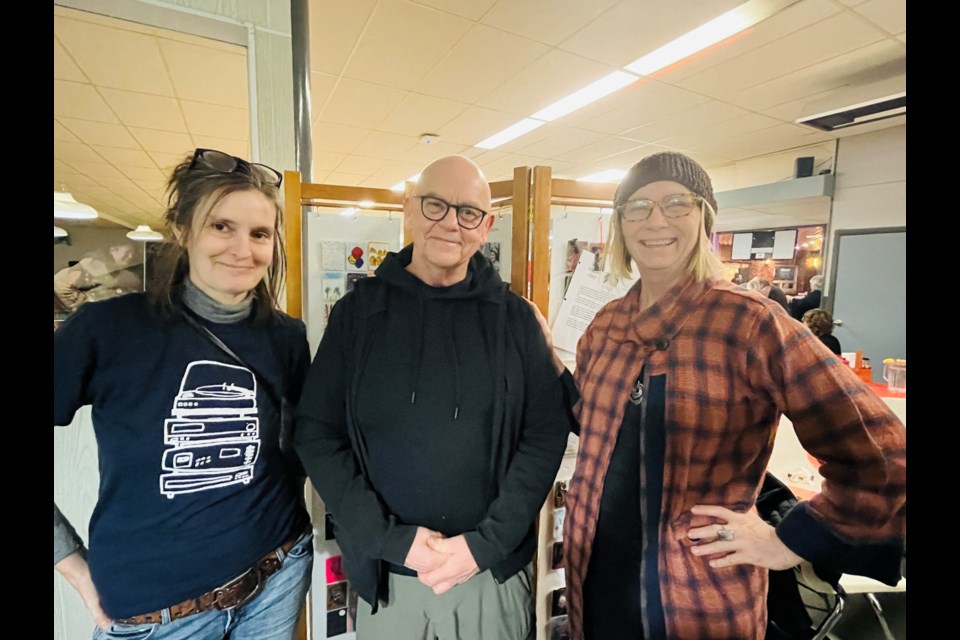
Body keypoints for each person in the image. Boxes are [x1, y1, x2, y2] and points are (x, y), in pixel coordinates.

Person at [532, 151, 905, 639]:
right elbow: (598, 421)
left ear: (704, 217)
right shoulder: (606, 327)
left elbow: (883, 456)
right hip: (595, 594)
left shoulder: (749, 322)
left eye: (676, 203)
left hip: (698, 606)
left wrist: (789, 541)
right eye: (637, 207)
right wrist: (543, 357)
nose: (656, 220)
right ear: (621, 225)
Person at [293, 155, 571, 640]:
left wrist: (484, 546)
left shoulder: (516, 321)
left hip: (490, 576)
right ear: (409, 209)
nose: (449, 223)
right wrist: (390, 540)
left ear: (486, 226)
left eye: (467, 213)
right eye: (435, 205)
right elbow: (316, 433)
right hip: (389, 577)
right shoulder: (357, 315)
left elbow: (544, 435)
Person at [54, 148, 314, 640]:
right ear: (182, 229)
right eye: (222, 226)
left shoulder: (286, 336)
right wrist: (72, 566)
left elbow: (302, 447)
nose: (243, 249)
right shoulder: (109, 329)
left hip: (276, 574)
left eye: (259, 234)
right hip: (156, 613)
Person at [54, 242, 143, 311]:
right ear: (113, 250)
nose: (131, 256)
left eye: (133, 253)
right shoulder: (89, 266)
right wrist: (82, 303)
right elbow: (59, 282)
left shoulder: (125, 273)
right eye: (127, 252)